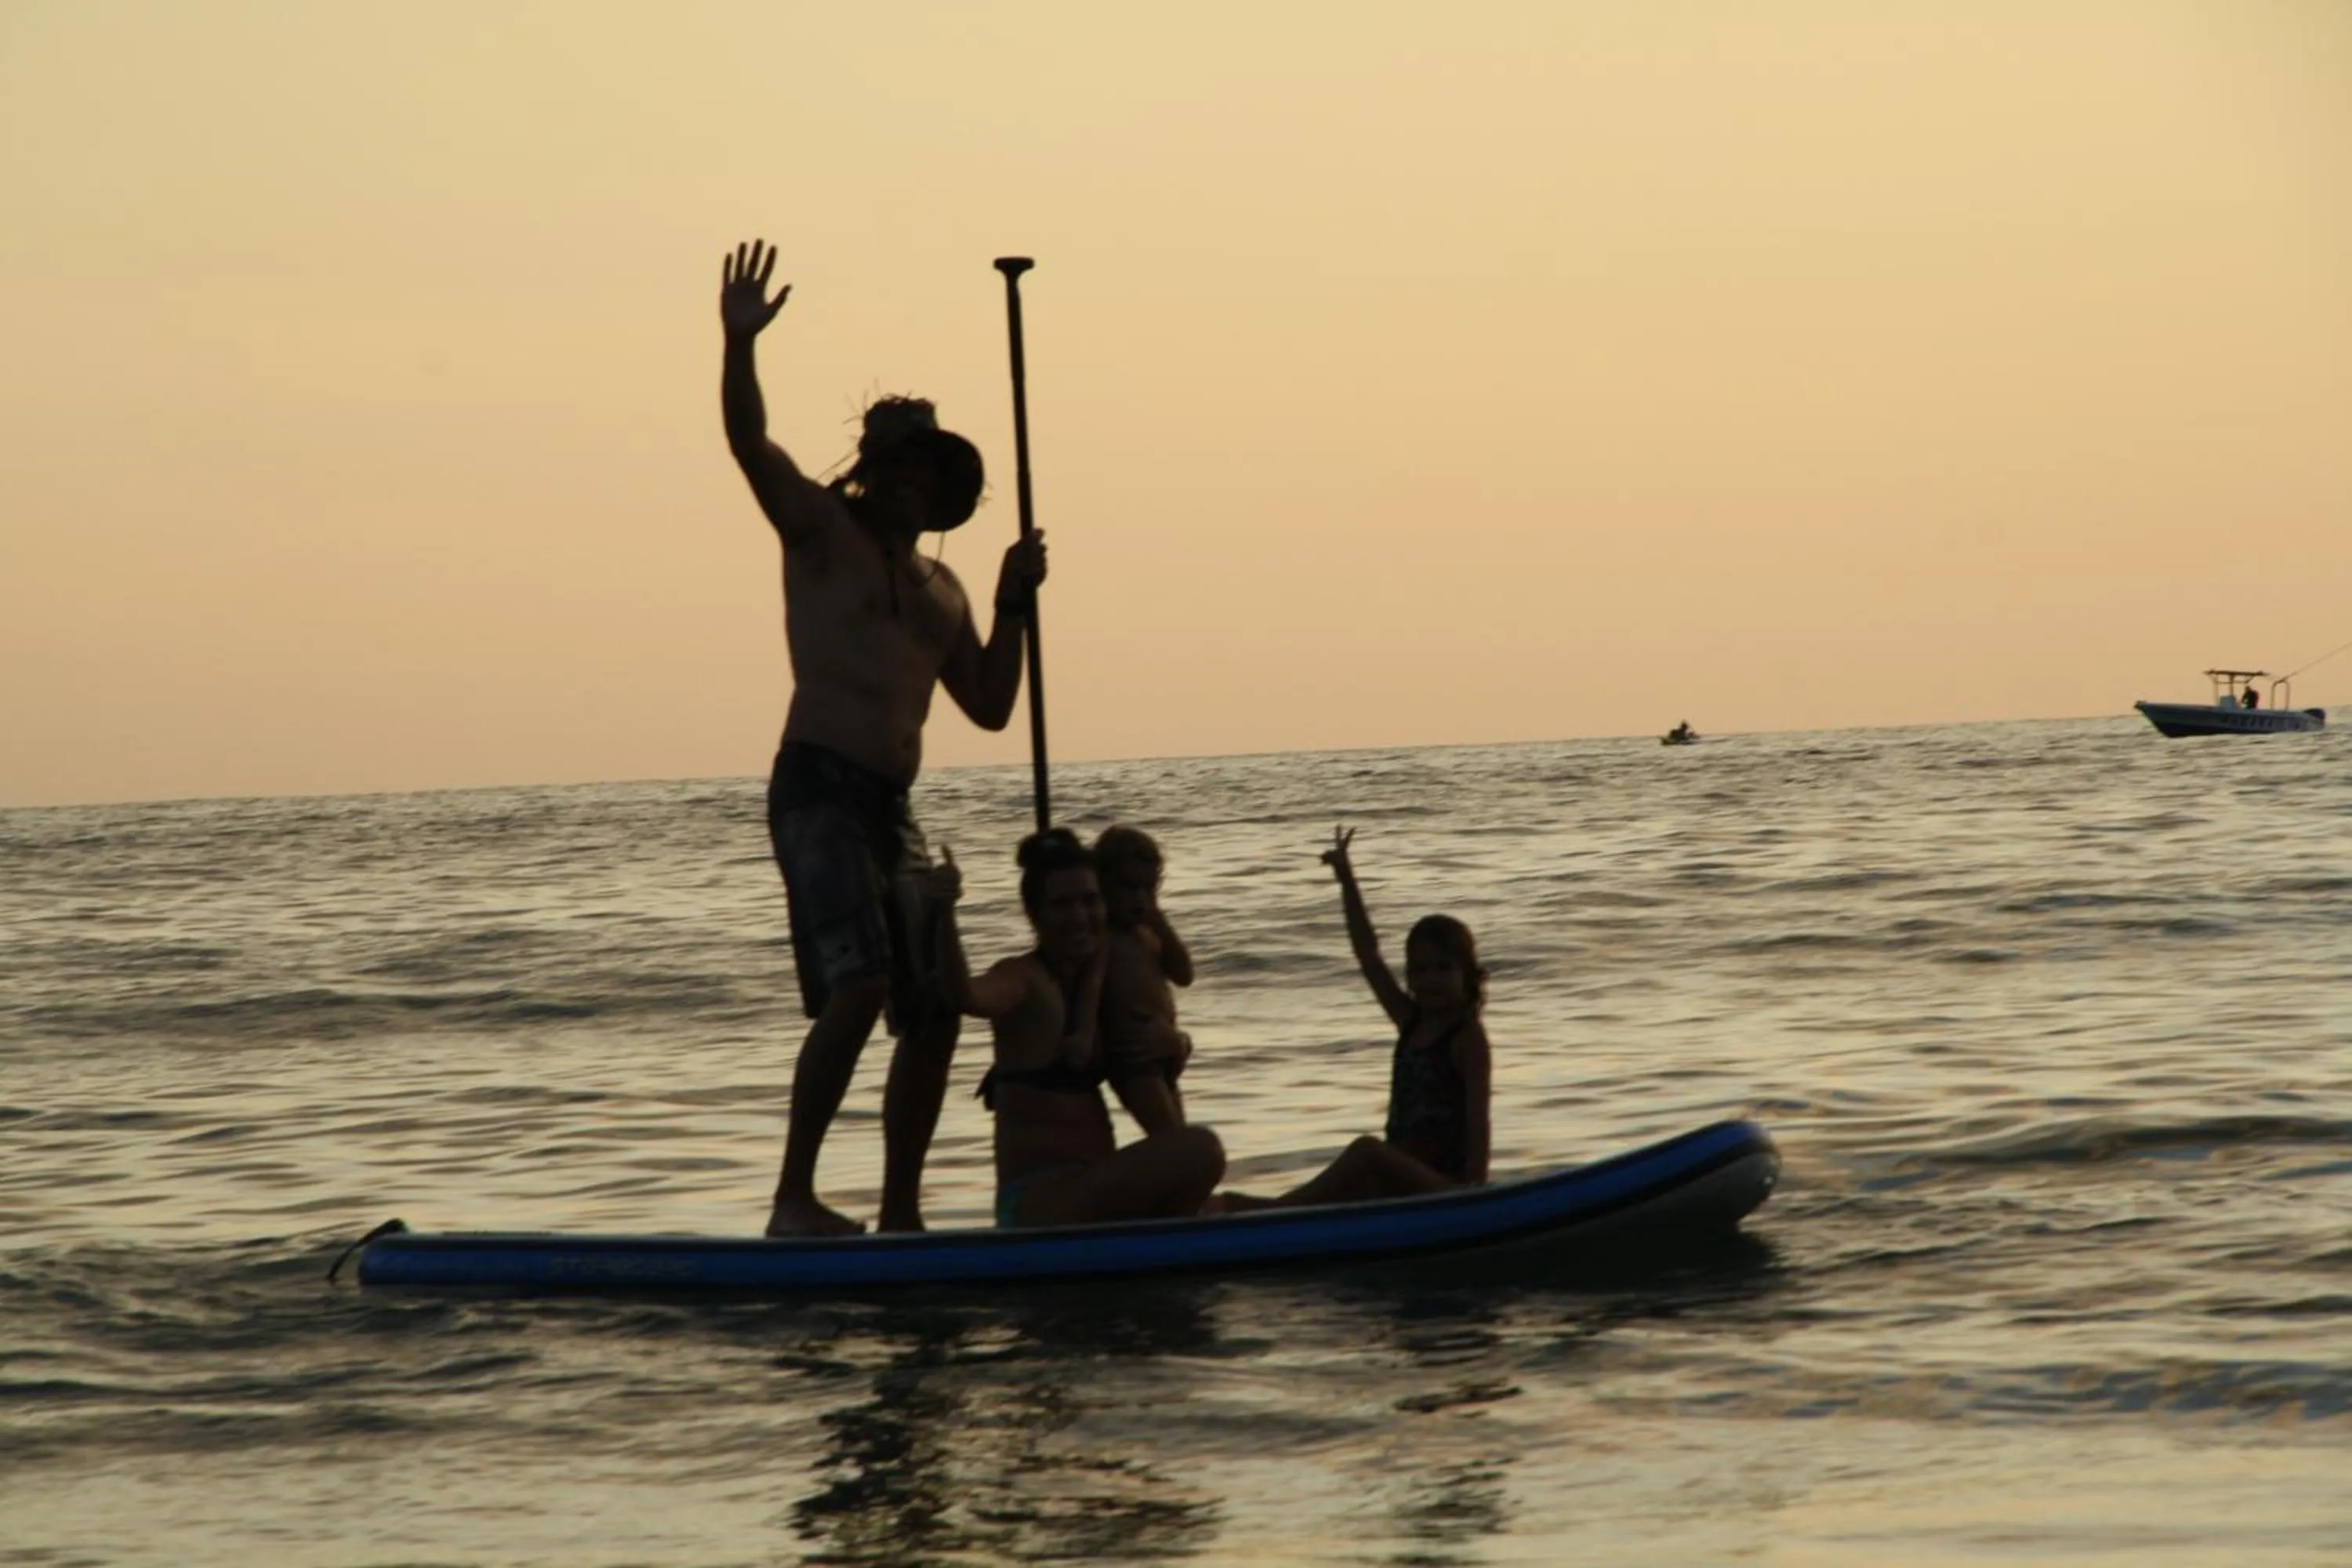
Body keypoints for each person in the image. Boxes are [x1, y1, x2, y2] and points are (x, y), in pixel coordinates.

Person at [720, 238, 1047, 1237]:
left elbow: (990, 703)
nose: (909, 487)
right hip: (816, 787)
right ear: (875, 472)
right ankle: (793, 1200)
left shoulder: (942, 588)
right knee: (858, 983)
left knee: (936, 1002)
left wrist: (1012, 603)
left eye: (925, 473)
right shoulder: (821, 532)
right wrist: (738, 347)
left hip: (893, 808)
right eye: (898, 469)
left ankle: (901, 1209)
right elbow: (749, 444)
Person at [939, 829, 1226, 1229]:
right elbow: (966, 997)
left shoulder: (1102, 986)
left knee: (1211, 1179)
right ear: (1034, 914)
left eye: (1090, 902)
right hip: (1039, 1201)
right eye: (1061, 905)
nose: (1079, 917)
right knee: (1201, 1148)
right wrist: (944, 914)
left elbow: (1155, 1017)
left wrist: (1176, 1041)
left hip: (1090, 1189)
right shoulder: (1025, 979)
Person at [1221, 827, 1492, 1209]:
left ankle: (1272, 1211)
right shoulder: (1411, 1022)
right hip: (1403, 1179)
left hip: (1446, 1187)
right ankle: (1264, 1213)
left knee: (1367, 1151)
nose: (1431, 980)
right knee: (1350, 1188)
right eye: (1420, 970)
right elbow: (1368, 955)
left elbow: (1478, 1119)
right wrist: (1347, 881)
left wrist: (1475, 1194)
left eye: (1443, 968)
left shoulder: (1467, 1038)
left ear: (1467, 973)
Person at [1092, 825, 1196, 1135]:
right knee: (1172, 1140)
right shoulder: (1104, 939)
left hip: (1164, 1049)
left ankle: (1184, 1183)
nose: (1140, 900)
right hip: (1133, 1058)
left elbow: (1184, 974)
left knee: (1179, 1135)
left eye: (1149, 889)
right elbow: (1090, 990)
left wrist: (1160, 921)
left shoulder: (1148, 934)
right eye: (1129, 888)